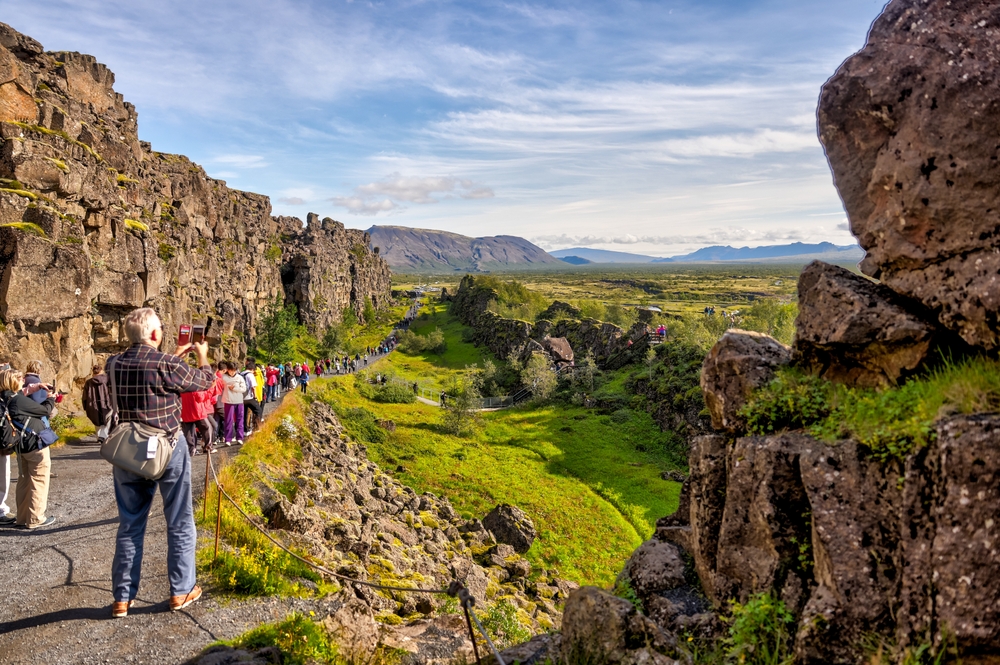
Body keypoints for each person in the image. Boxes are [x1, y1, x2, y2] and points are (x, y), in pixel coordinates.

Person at [106, 307, 214, 618]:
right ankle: (181, 590)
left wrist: (174, 355)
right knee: (179, 520)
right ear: (156, 335)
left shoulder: (113, 363)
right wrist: (201, 354)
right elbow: (203, 381)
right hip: (166, 447)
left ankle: (122, 599)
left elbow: (147, 372)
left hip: (127, 450)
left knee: (129, 523)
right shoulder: (167, 364)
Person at [0, 368, 57, 529]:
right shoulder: (17, 399)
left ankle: (23, 517)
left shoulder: (4, 399)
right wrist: (50, 399)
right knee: (39, 480)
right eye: (19, 378)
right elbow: (44, 410)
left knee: (24, 480)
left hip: (21, 446)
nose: (23, 381)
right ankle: (36, 518)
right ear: (12, 381)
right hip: (34, 445)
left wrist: (36, 387)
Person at [181, 370, 224, 456]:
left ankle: (191, 450)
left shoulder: (182, 385)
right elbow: (201, 398)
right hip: (197, 411)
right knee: (207, 428)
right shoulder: (195, 385)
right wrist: (211, 388)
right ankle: (208, 447)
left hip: (186, 411)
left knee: (189, 432)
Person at [83, 364, 113, 442]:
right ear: (101, 370)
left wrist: (85, 406)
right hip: (107, 404)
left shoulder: (88, 382)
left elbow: (85, 396)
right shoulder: (108, 380)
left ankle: (99, 436)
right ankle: (104, 436)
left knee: (96, 421)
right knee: (107, 419)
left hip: (92, 404)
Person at [222, 361, 247, 446]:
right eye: (231, 370)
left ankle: (239, 437)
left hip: (239, 401)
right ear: (227, 370)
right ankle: (227, 439)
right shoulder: (223, 377)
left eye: (234, 370)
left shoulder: (240, 377)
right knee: (228, 420)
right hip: (228, 401)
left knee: (240, 419)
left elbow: (244, 389)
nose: (232, 372)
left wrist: (235, 388)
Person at [241, 360, 262, 436]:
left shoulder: (240, 374)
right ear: (252, 369)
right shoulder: (250, 375)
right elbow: (253, 387)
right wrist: (255, 396)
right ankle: (256, 427)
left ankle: (245, 430)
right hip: (249, 397)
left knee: (244, 414)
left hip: (241, 397)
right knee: (258, 410)